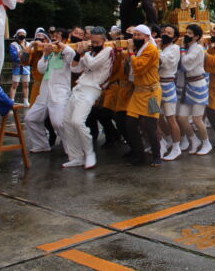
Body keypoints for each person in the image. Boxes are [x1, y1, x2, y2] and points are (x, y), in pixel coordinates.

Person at [61, 27, 113, 169]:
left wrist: (83, 52)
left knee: (77, 122)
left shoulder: (108, 51)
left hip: (92, 90)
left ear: (104, 40)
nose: (94, 44)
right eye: (93, 41)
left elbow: (92, 64)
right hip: (79, 87)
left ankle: (89, 153)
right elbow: (75, 69)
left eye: (97, 42)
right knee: (66, 121)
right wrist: (78, 54)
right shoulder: (89, 52)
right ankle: (76, 156)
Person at [24, 28, 75, 153]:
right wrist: (45, 55)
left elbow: (72, 56)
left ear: (63, 39)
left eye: (58, 36)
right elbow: (41, 69)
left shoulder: (66, 51)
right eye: (53, 35)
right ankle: (41, 145)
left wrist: (63, 47)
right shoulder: (49, 52)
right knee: (30, 118)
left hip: (59, 92)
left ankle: (73, 149)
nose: (54, 38)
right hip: (44, 91)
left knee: (58, 123)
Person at [124, 25, 163, 166]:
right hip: (138, 92)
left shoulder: (151, 49)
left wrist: (130, 52)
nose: (135, 38)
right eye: (134, 35)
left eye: (138, 35)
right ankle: (139, 155)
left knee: (151, 126)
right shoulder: (138, 48)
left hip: (152, 93)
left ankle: (157, 156)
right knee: (130, 124)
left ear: (147, 37)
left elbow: (139, 67)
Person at [176, 24, 212, 155]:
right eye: (187, 33)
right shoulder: (189, 47)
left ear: (197, 37)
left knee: (197, 119)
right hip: (188, 85)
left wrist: (181, 49)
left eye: (190, 33)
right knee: (181, 117)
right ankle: (193, 139)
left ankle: (206, 143)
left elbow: (186, 64)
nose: (187, 35)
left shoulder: (197, 49)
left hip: (198, 84)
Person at [158, 24, 183, 160]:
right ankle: (164, 141)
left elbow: (164, 61)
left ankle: (176, 146)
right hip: (155, 85)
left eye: (169, 33)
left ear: (175, 37)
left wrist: (154, 49)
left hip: (167, 84)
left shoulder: (174, 48)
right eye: (164, 31)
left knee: (170, 118)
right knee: (155, 116)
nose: (165, 34)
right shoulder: (160, 46)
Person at [9, 29, 31, 105]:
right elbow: (14, 56)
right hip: (17, 66)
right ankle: (11, 101)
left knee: (26, 84)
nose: (22, 35)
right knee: (15, 84)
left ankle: (26, 101)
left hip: (26, 66)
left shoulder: (28, 44)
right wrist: (22, 53)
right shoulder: (13, 44)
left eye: (23, 34)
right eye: (20, 34)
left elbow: (30, 55)